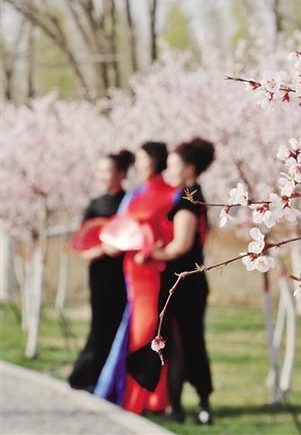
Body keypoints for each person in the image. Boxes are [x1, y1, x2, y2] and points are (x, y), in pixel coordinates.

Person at [94, 141, 180, 414]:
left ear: (155, 159)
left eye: (143, 158)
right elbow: (118, 229)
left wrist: (153, 249)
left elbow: (173, 233)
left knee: (148, 332)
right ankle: (135, 396)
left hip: (155, 270)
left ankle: (145, 399)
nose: (139, 163)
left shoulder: (173, 194)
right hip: (132, 270)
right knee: (135, 331)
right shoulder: (133, 196)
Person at [150, 138, 215, 424]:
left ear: (189, 168)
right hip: (189, 280)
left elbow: (181, 244)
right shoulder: (194, 195)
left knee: (181, 344)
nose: (168, 171)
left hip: (182, 281)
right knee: (188, 342)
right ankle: (196, 404)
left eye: (174, 165)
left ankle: (183, 407)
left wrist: (153, 253)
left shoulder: (188, 198)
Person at [69, 150, 133, 391]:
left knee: (118, 324)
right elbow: (81, 243)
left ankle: (111, 380)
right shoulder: (94, 205)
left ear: (122, 173)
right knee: (99, 323)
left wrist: (116, 247)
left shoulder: (129, 203)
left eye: (107, 171)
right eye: (99, 171)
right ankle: (89, 376)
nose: (102, 176)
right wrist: (99, 250)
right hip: (99, 272)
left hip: (123, 273)